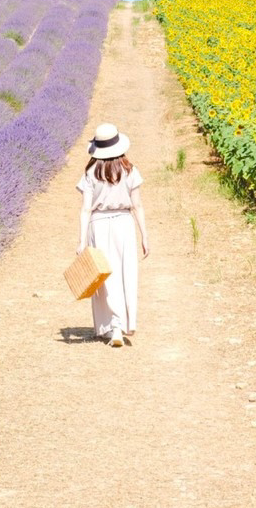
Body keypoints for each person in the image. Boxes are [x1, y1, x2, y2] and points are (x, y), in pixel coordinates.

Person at [76, 122, 150, 347]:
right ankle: (122, 324)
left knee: (104, 277)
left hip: (98, 224)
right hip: (124, 224)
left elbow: (86, 208)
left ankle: (112, 327)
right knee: (125, 272)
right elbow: (137, 206)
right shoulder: (129, 170)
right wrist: (144, 235)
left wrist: (80, 240)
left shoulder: (90, 172)